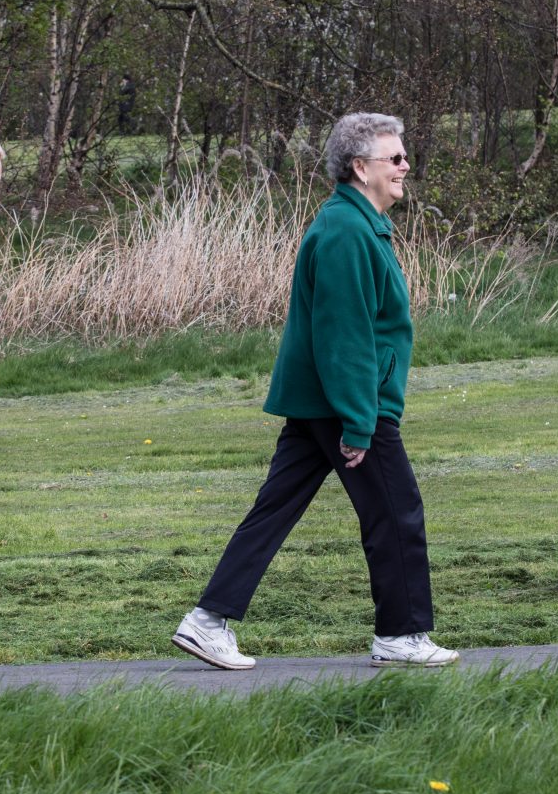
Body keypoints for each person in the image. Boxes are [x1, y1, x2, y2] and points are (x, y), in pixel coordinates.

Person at [172, 112, 458, 671]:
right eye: (393, 158)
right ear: (359, 168)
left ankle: (207, 620)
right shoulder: (347, 232)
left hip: (322, 402)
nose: (405, 167)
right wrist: (360, 421)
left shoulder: (357, 224)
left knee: (275, 509)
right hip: (345, 403)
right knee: (397, 513)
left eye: (404, 157)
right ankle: (400, 635)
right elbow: (345, 334)